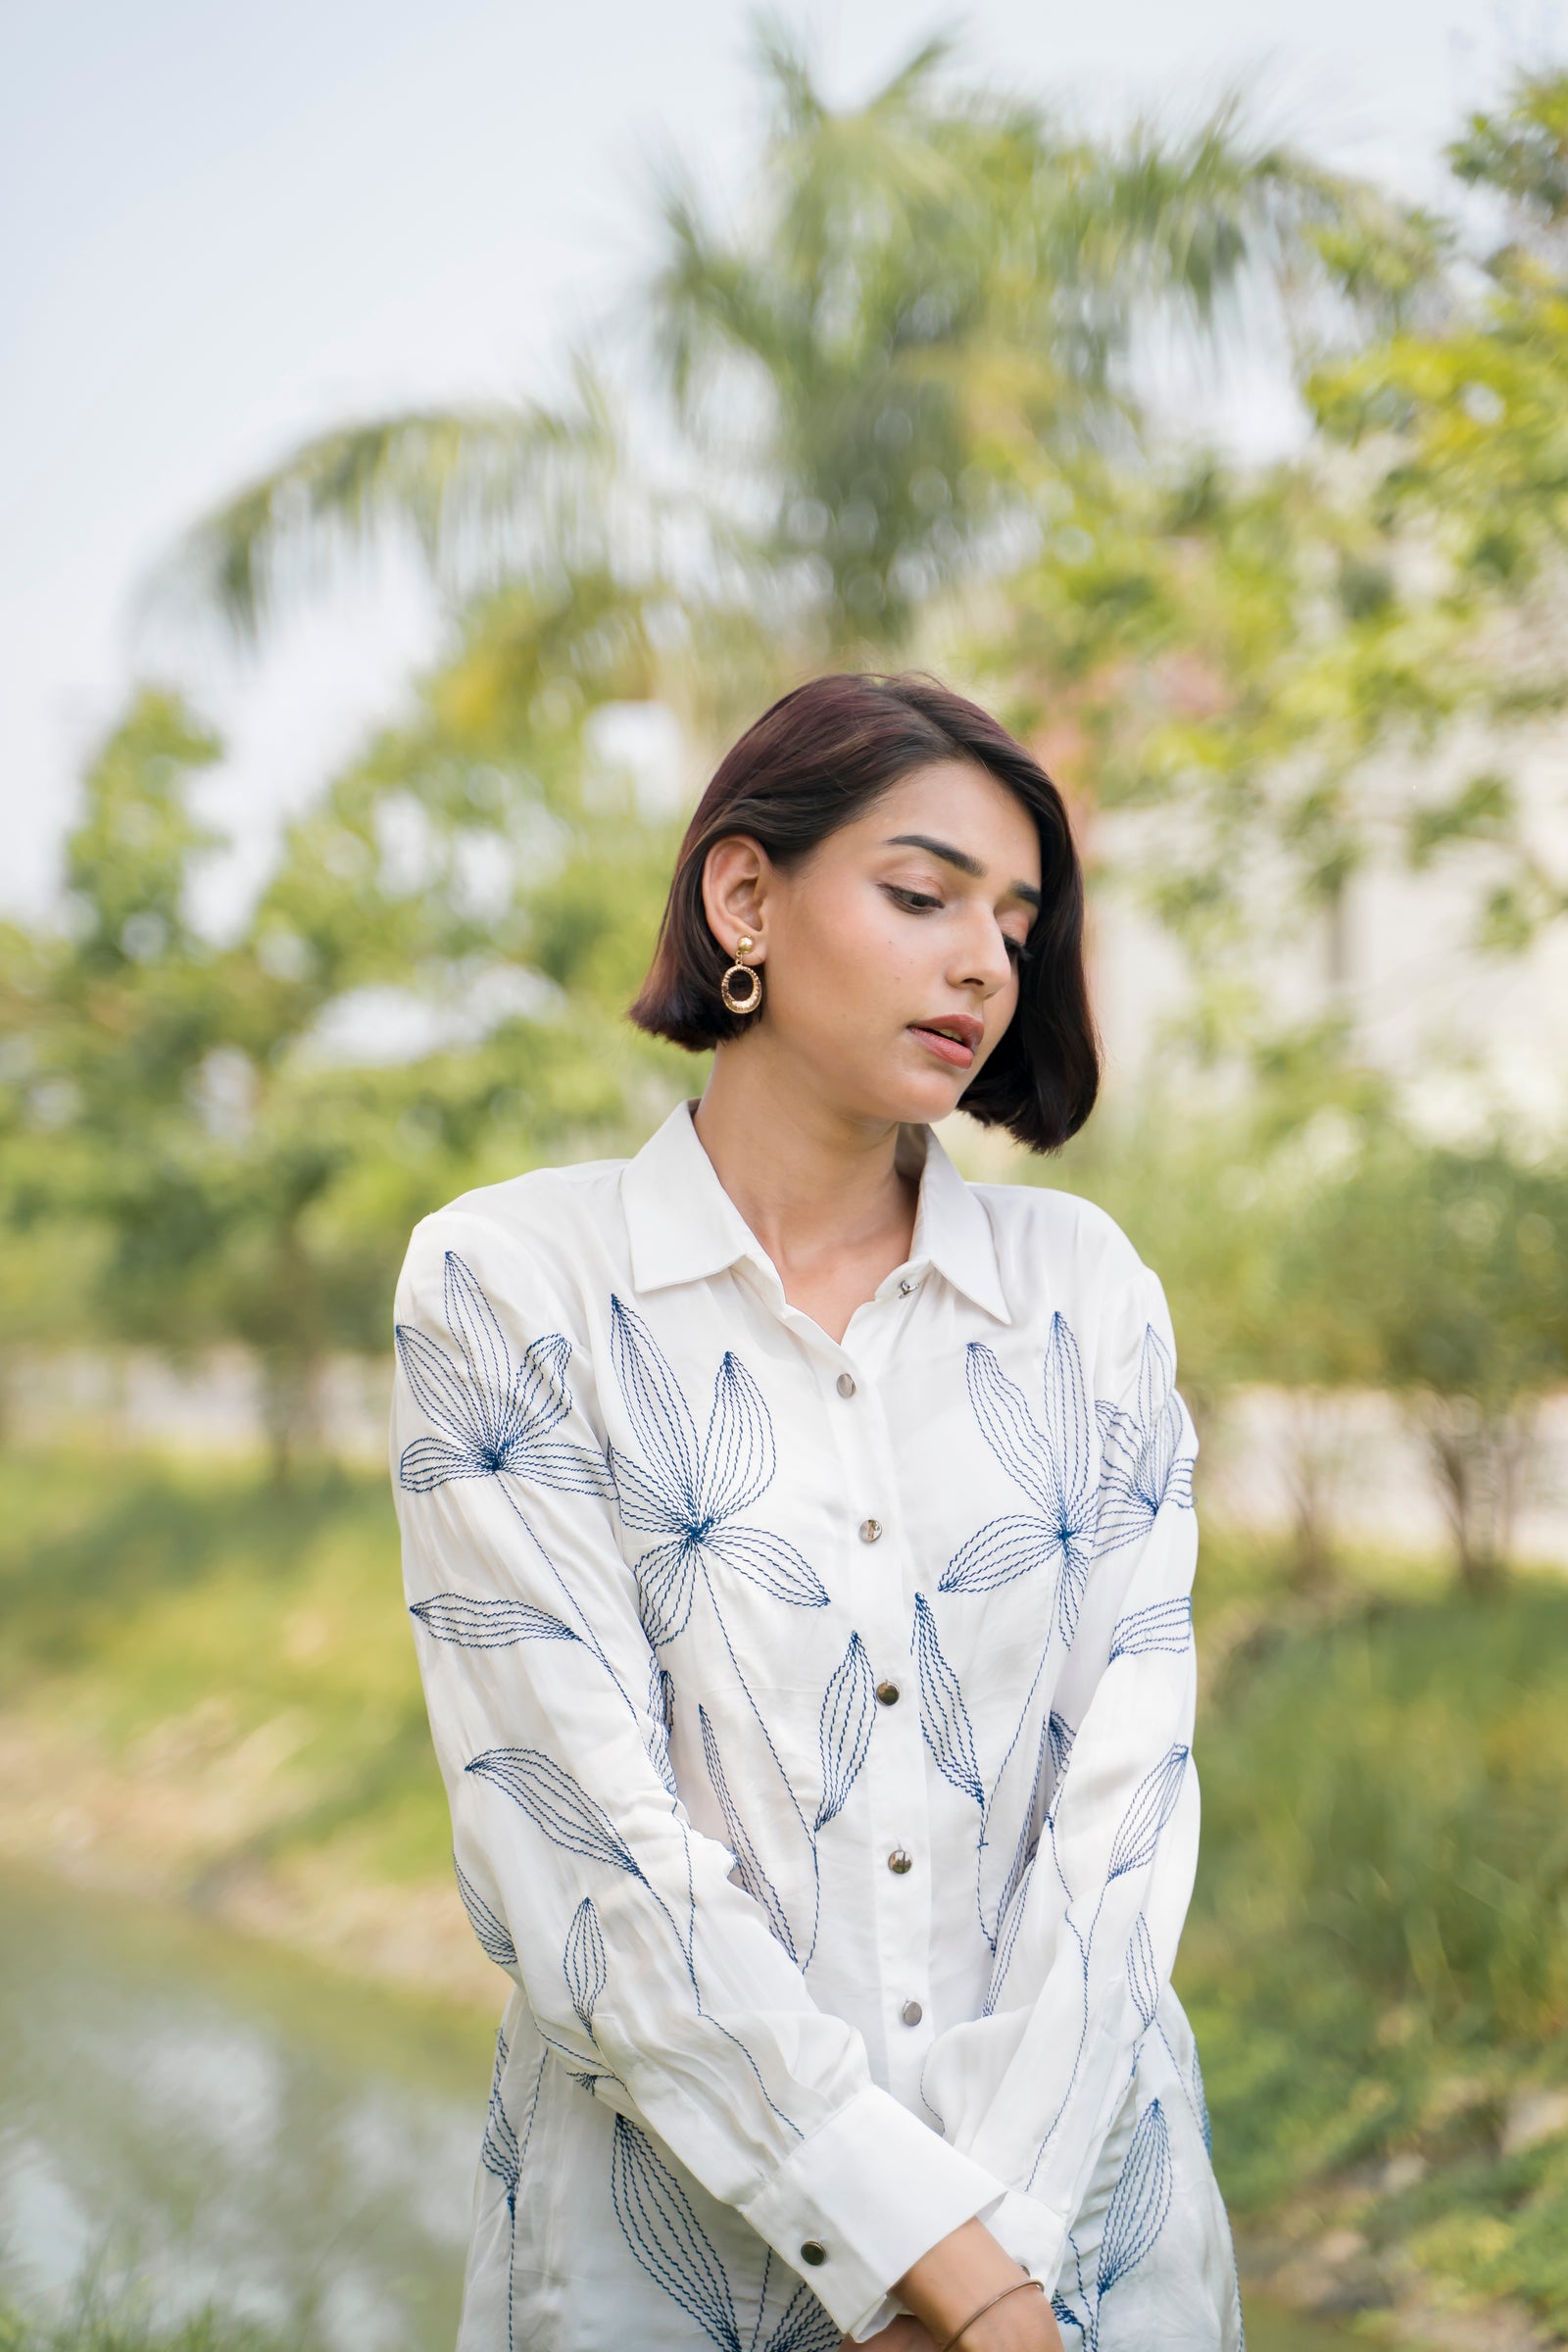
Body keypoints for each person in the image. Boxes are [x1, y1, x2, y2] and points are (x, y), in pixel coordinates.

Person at [389, 671, 1247, 2352]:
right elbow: (581, 1852)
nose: (987, 960)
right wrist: (949, 2275)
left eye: (1017, 921)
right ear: (743, 896)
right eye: (923, 896)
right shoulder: (511, 1285)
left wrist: (1001, 2254)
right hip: (679, 2271)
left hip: (1095, 2246)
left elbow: (1128, 1807)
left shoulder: (1087, 1293)